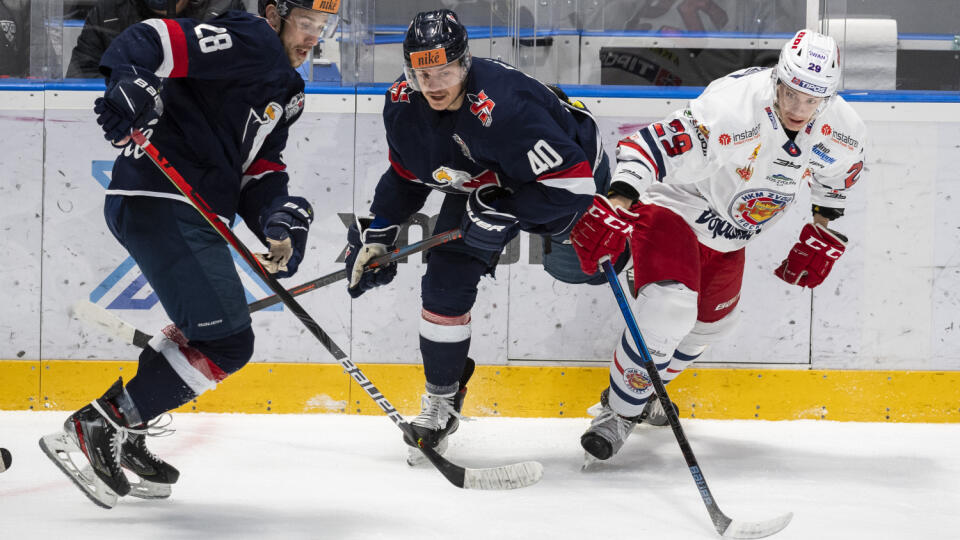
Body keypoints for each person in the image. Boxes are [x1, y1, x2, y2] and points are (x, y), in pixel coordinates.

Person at [39, 0, 340, 508]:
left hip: (185, 210)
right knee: (228, 344)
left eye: (322, 29)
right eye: (305, 24)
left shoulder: (288, 90)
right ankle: (103, 422)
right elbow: (148, 40)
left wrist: (277, 218)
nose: (313, 38)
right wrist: (131, 84)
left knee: (207, 333)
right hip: (163, 199)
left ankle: (128, 431)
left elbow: (259, 170)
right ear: (273, 15)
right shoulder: (251, 37)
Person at [570, 29, 867, 461]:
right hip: (675, 205)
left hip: (730, 235)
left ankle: (647, 390)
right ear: (777, 79)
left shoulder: (841, 128)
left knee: (713, 326)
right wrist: (619, 198)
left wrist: (823, 223)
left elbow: (834, 179)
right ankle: (618, 412)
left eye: (813, 99)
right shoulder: (732, 108)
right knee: (671, 307)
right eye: (792, 93)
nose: (800, 108)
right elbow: (648, 145)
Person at [345, 9, 618, 464]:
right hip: (485, 181)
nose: (433, 84)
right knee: (444, 285)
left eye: (445, 71)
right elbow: (407, 175)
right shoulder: (401, 103)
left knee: (593, 271)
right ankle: (442, 402)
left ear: (466, 63)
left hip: (569, 178)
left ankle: (638, 389)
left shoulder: (507, 108)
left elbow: (573, 186)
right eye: (422, 73)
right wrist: (381, 231)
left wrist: (504, 209)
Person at [66, 0, 246, 78]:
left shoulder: (224, 11)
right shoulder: (109, 12)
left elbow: (244, 76)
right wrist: (125, 87)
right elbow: (81, 75)